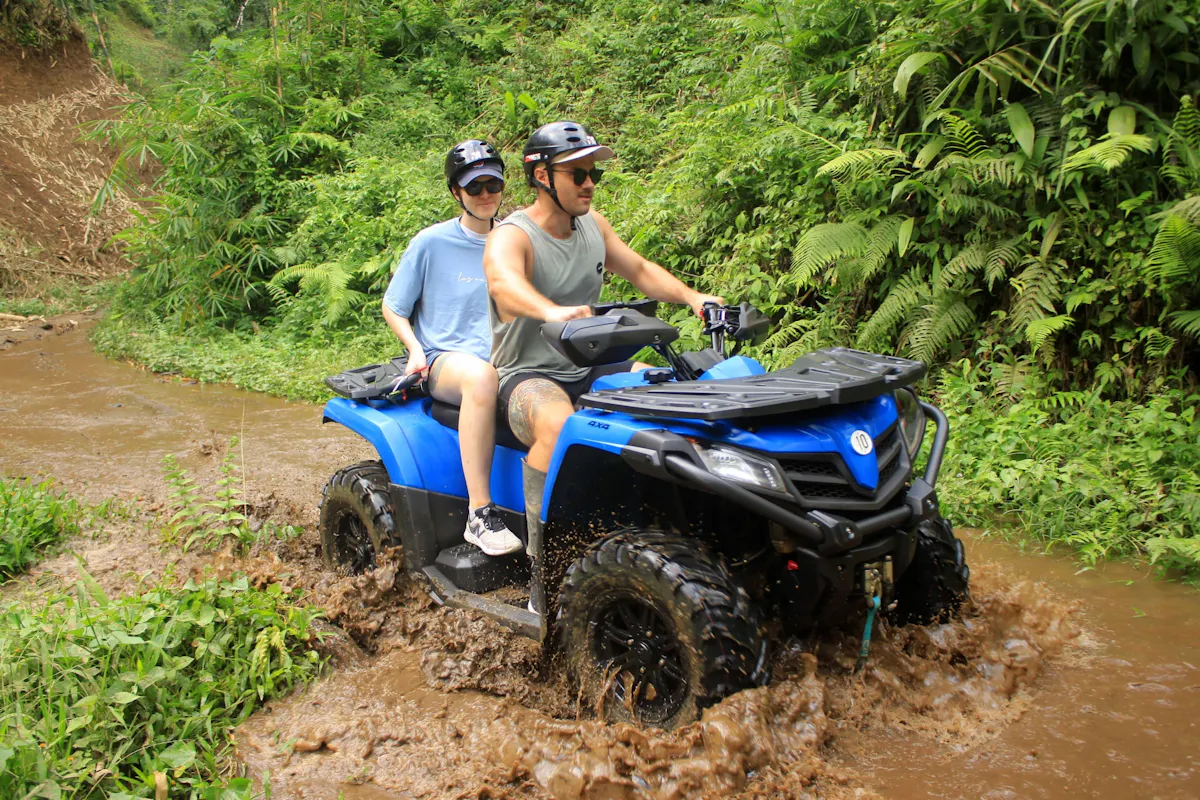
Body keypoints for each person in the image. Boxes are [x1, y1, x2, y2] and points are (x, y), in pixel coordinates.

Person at [483, 120, 723, 612]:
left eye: (593, 173)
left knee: (668, 388)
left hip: (591, 367)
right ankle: (542, 575)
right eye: (577, 174)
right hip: (527, 376)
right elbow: (503, 284)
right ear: (542, 177)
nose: (589, 182)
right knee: (557, 423)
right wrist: (550, 310)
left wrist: (693, 297)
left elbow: (638, 269)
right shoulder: (513, 235)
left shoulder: (594, 226)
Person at [382, 139, 523, 557]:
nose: (484, 195)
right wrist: (414, 349)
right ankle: (480, 514)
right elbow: (394, 306)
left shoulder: (515, 241)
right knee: (482, 377)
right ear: (456, 192)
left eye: (492, 185)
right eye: (474, 187)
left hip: (509, 358)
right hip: (448, 361)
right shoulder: (431, 242)